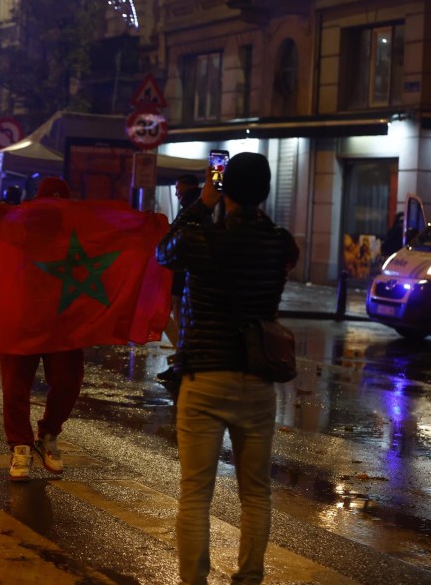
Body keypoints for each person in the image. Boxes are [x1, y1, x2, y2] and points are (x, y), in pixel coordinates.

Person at [156, 152, 299, 584]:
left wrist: (201, 202)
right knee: (256, 493)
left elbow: (163, 252)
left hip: (204, 378)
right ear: (267, 191)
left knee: (196, 495)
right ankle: (249, 577)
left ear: (225, 188)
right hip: (257, 380)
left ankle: (194, 580)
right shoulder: (282, 243)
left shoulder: (202, 239)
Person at [0, 176, 85, 482]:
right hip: (21, 317)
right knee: (15, 385)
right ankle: (20, 444)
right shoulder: (16, 232)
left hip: (63, 321)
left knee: (67, 380)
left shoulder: (79, 236)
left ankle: (47, 434)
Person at [159, 173, 204, 392]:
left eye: (178, 187)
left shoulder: (193, 208)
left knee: (176, 318)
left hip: (183, 276)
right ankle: (181, 361)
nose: (176, 192)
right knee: (177, 318)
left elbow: (175, 240)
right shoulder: (196, 205)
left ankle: (183, 363)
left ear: (187, 187)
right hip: (186, 276)